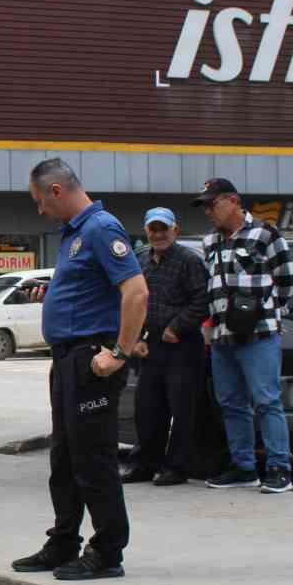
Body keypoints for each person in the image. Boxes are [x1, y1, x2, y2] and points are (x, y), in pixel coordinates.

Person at [11, 159, 146, 582]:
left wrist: (119, 354)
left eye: (39, 202)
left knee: (93, 459)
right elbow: (93, 288)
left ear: (55, 191)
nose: (39, 212)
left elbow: (136, 292)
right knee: (65, 457)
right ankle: (64, 541)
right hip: (67, 359)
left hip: (91, 362)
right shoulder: (75, 234)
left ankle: (107, 551)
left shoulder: (101, 228)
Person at [197, 178, 293, 495]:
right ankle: (243, 467)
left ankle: (279, 468)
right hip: (222, 335)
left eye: (212, 204)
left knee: (267, 401)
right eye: (205, 206)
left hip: (259, 334)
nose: (208, 211)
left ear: (233, 200)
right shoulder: (210, 241)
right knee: (231, 403)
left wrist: (266, 312)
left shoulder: (266, 234)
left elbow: (287, 281)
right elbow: (210, 285)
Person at [122, 208, 208, 486]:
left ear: (175, 231)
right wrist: (136, 338)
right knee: (147, 408)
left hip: (182, 344)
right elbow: (130, 300)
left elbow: (201, 301)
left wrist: (177, 327)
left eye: (164, 229)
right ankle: (145, 463)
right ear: (146, 231)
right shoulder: (140, 260)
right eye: (153, 229)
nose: (158, 234)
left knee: (181, 409)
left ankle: (177, 467)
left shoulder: (189, 261)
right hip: (149, 344)